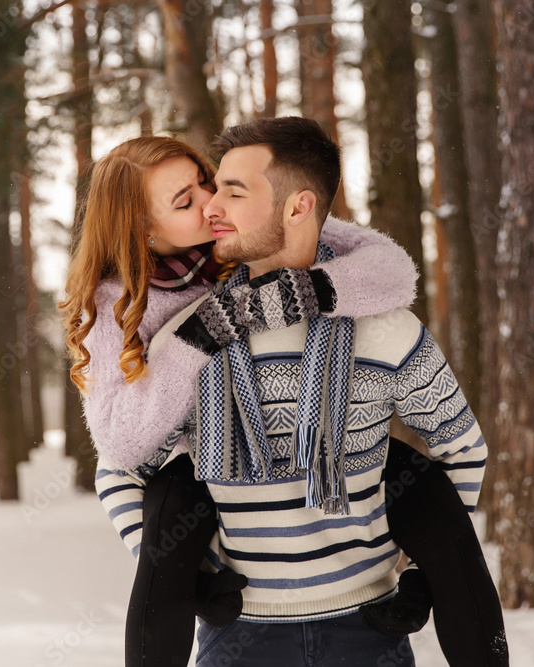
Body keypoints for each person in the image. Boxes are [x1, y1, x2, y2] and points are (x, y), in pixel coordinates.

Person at [89, 118, 507, 666]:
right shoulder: (190, 336)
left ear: (296, 207)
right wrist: (189, 575)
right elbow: (120, 468)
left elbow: (462, 448)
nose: (213, 205)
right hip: (237, 636)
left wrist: (423, 569)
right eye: (200, 195)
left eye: (230, 190)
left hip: (369, 633)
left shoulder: (384, 326)